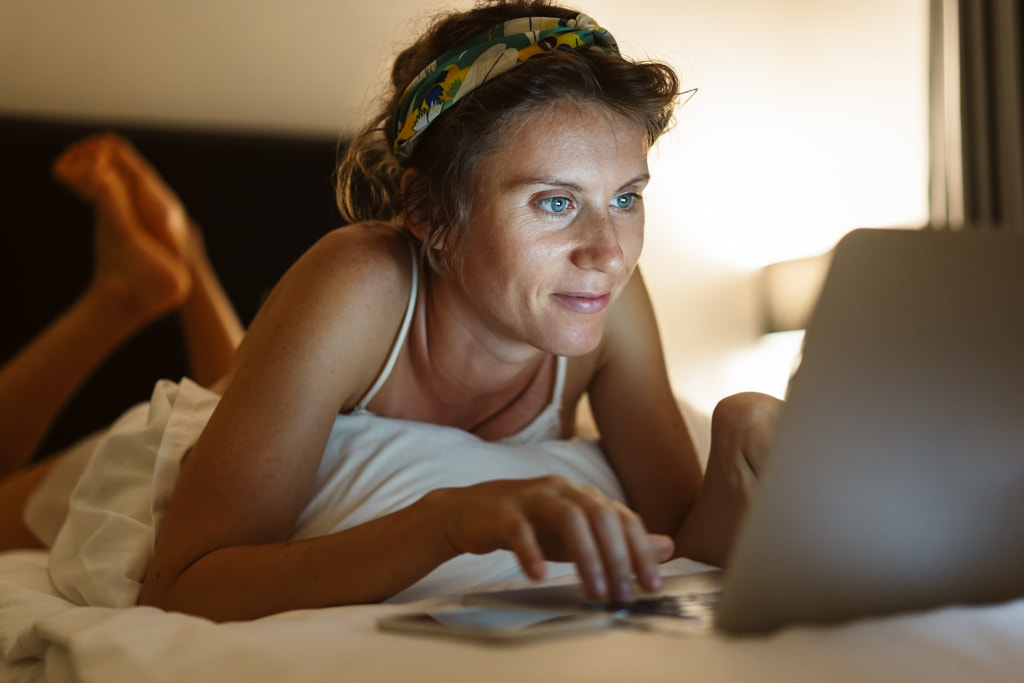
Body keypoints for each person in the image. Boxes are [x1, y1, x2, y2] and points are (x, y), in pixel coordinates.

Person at [7, 0, 784, 622]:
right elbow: (183, 586)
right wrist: (442, 521)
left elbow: (680, 539)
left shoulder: (607, 303)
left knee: (241, 368)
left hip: (294, 379)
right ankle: (127, 296)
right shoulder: (360, 278)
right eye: (555, 201)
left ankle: (179, 266)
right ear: (427, 210)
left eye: (625, 199)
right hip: (175, 455)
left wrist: (743, 443)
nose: (608, 251)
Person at [0, 134, 244, 549]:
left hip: (193, 472)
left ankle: (127, 287)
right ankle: (145, 273)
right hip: (230, 463)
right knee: (243, 421)